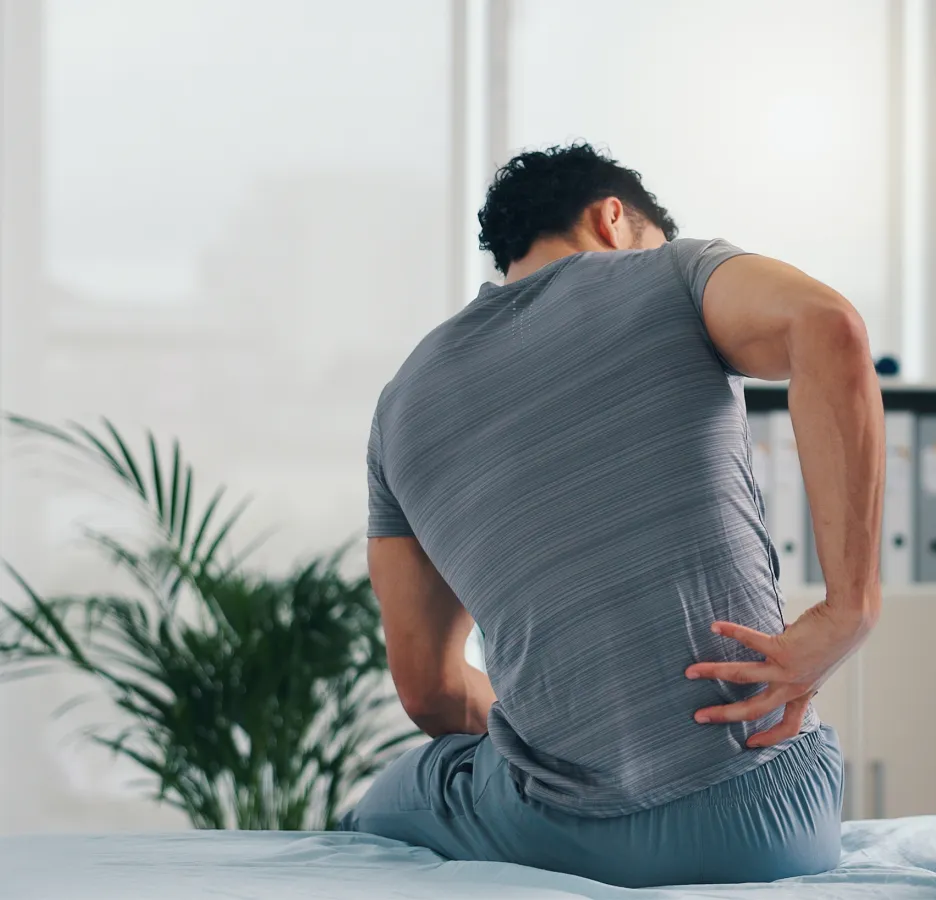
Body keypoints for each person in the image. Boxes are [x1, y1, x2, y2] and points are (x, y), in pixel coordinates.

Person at [339, 142, 885, 888]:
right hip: (776, 823)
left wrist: (572, 730)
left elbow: (428, 692)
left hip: (557, 831)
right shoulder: (672, 274)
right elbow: (830, 325)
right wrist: (850, 606)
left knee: (402, 789)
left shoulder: (399, 409)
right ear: (613, 219)